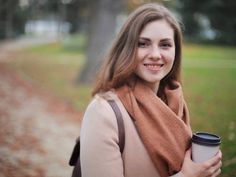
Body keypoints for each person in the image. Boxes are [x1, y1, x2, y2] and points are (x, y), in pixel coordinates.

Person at [79, 3, 222, 177]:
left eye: (165, 45)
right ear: (127, 48)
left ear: (175, 51)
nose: (155, 54)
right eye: (143, 44)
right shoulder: (103, 112)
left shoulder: (175, 104)